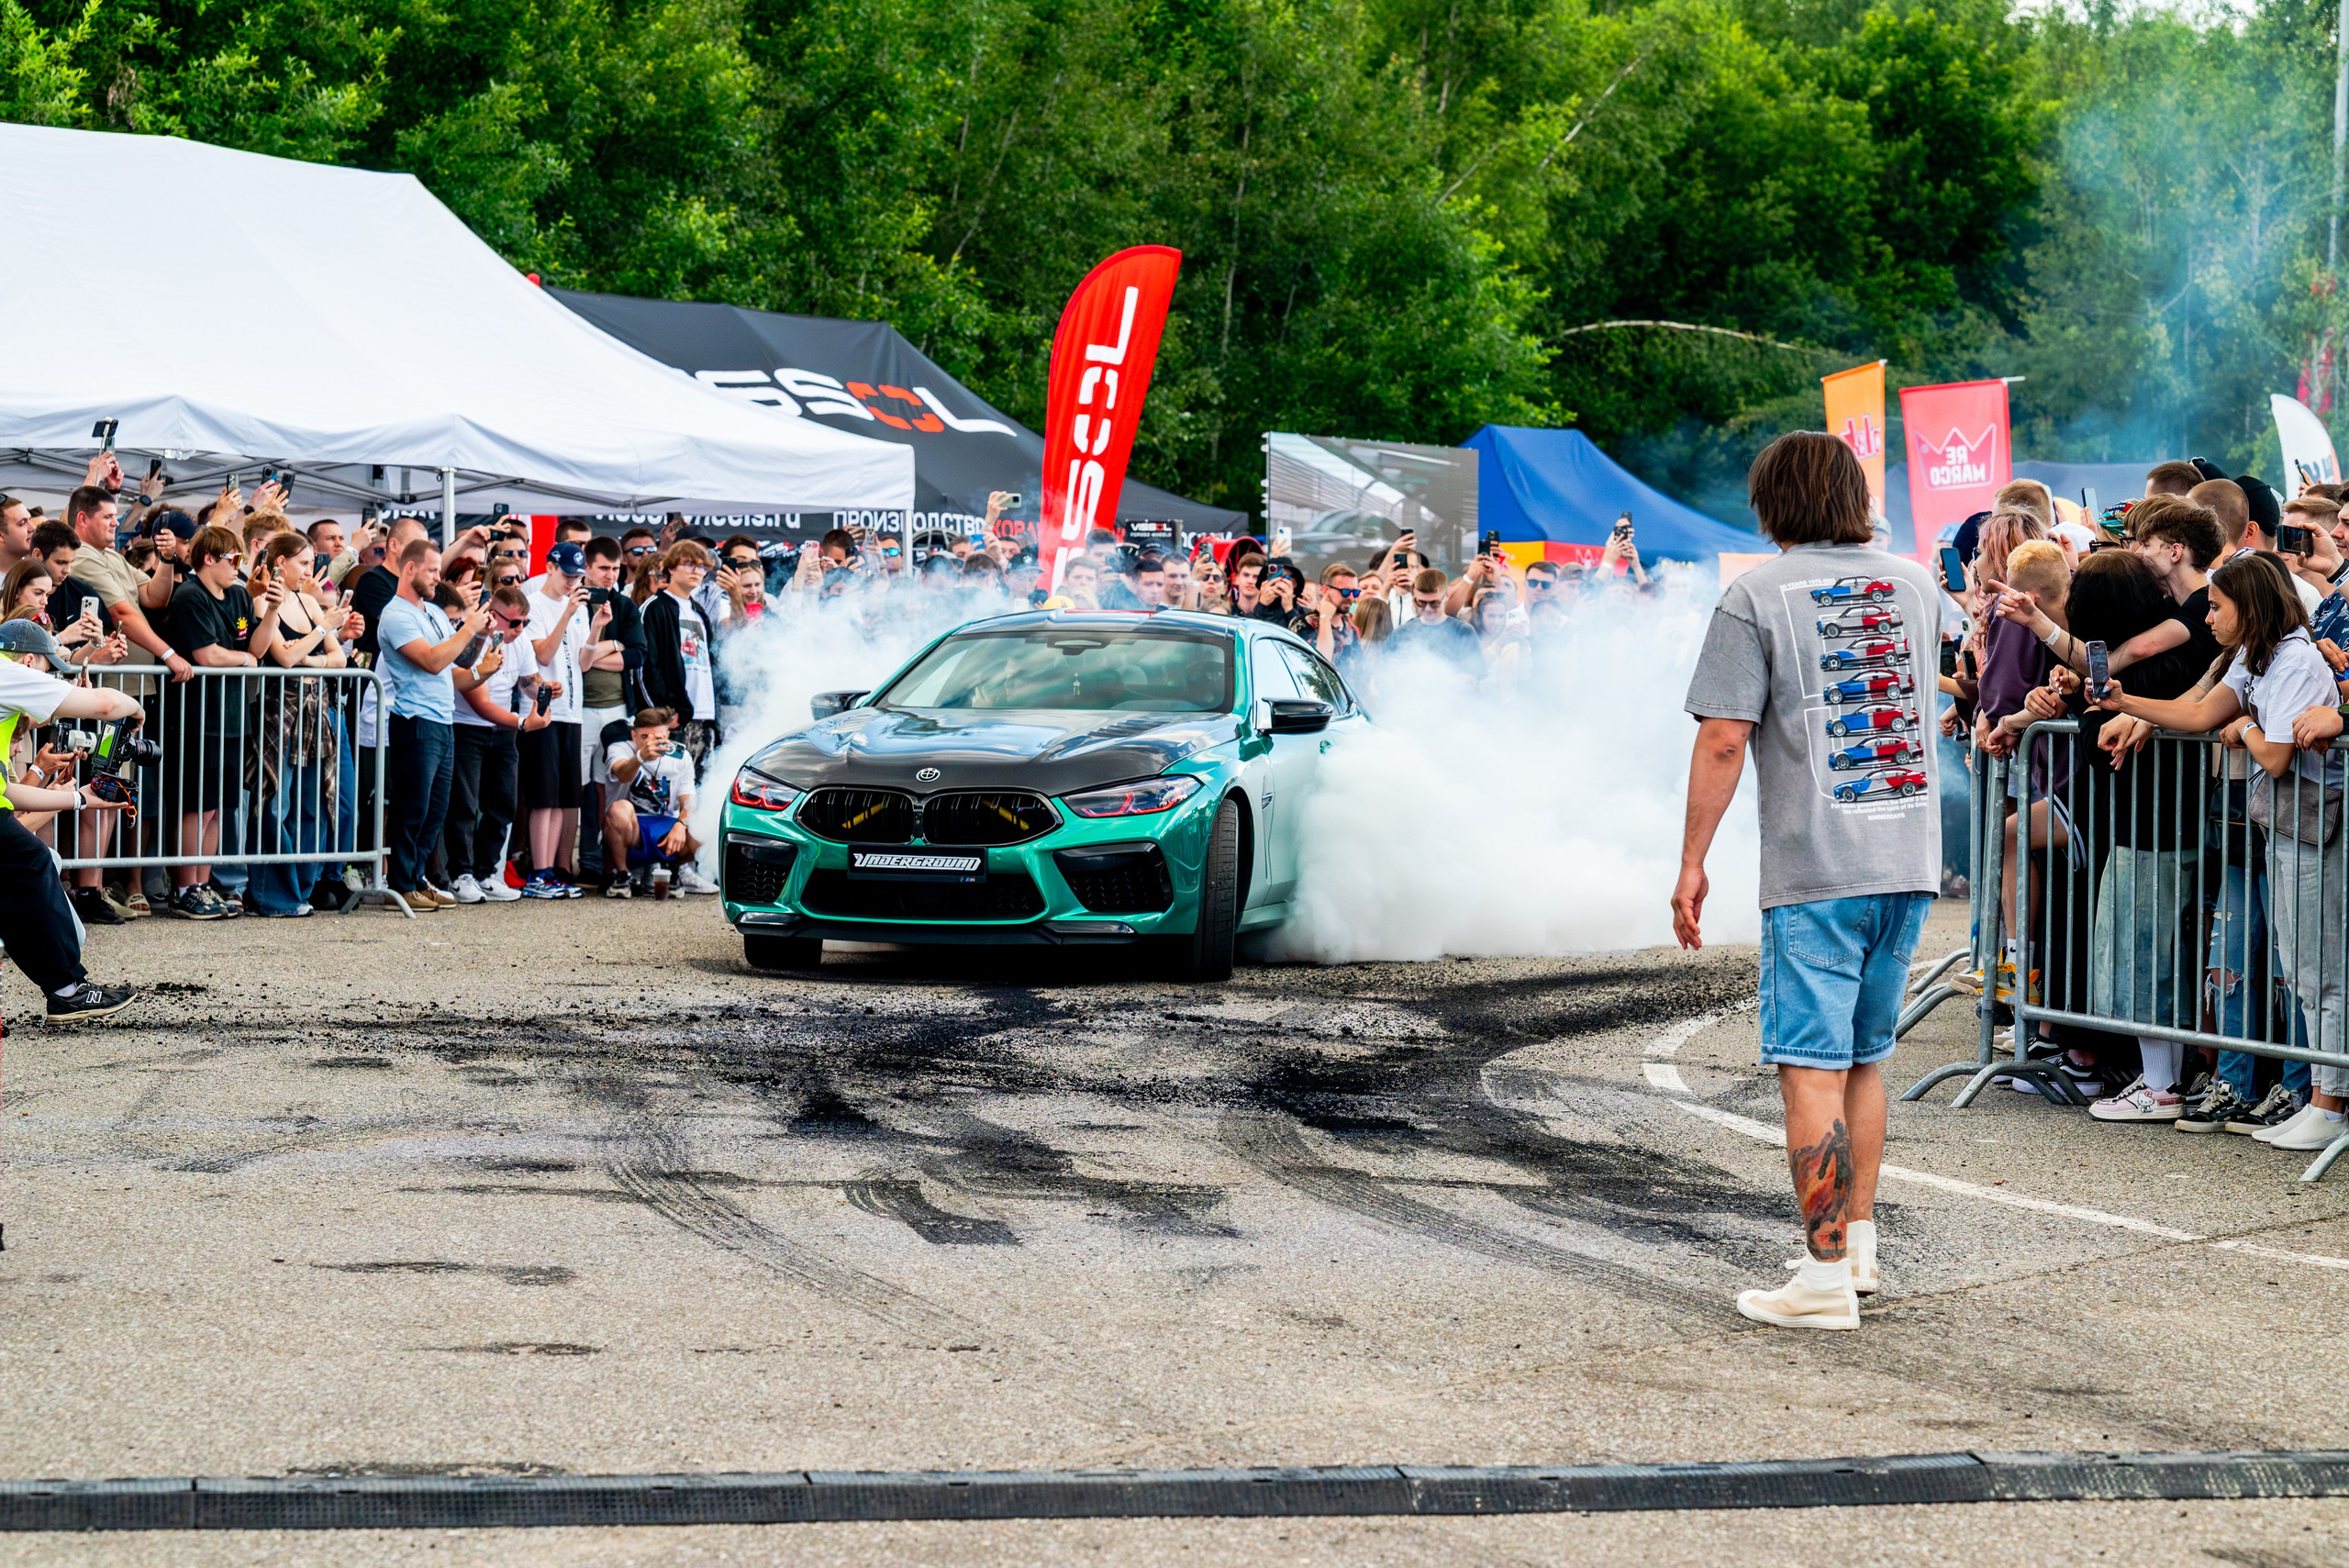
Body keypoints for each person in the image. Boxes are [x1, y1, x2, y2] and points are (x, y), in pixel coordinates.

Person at [1675, 430, 1941, 1331]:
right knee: (1864, 1059)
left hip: (1817, 864)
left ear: (1773, 502)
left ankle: (1822, 1276)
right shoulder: (1915, 582)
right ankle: (1856, 1247)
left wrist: (1691, 860)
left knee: (1808, 1069)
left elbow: (1721, 735)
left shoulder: (1754, 593)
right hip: (1905, 859)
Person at [2099, 553, 2347, 1152]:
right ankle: (2320, 1095)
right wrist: (2125, 701)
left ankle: (2330, 1102)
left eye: (2216, 605)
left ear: (2250, 606)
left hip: (2315, 826)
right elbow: (2198, 713)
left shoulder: (2291, 656)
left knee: (2320, 969)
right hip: (2288, 829)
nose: (2207, 615)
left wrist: (2248, 730)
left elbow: (2277, 756)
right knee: (2299, 964)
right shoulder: (2255, 656)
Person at [0, 621, 143, 1023]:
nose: (46, 681)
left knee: (31, 860)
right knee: (33, 862)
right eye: (47, 671)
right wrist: (134, 708)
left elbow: (8, 794)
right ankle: (67, 989)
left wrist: (79, 799)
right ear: (29, 660)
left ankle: (67, 988)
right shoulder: (7, 672)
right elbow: (102, 706)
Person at [163, 524, 284, 918]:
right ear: (209, 559)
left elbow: (256, 648)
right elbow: (207, 655)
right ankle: (185, 887)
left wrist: (273, 609)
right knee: (196, 806)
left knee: (218, 807)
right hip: (198, 717)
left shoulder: (236, 595)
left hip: (232, 718)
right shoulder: (189, 595)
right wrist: (246, 661)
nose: (239, 568)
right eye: (233, 560)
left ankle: (202, 882)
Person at [379, 538, 488, 910]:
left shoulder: (436, 614)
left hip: (441, 721)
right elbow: (430, 661)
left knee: (435, 809)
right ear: (410, 569)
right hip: (414, 720)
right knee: (412, 807)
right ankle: (402, 882)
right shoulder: (395, 615)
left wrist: (479, 671)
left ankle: (416, 878)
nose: (439, 578)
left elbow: (450, 673)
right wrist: (469, 628)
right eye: (432, 570)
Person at [447, 584, 543, 903]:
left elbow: (529, 681)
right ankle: (461, 873)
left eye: (524, 623)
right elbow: (479, 702)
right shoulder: (473, 639)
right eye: (513, 623)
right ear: (492, 615)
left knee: (502, 803)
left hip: (503, 731)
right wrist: (523, 722)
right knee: (465, 804)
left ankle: (487, 872)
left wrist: (544, 692)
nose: (519, 630)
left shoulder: (522, 641)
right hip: (468, 727)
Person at [519, 541, 591, 895]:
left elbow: (583, 663)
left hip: (572, 710)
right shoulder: (534, 605)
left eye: (577, 576)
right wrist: (566, 613)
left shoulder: (578, 606)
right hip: (543, 709)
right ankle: (539, 871)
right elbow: (543, 653)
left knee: (565, 796)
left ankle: (550, 873)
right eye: (567, 574)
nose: (572, 582)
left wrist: (597, 631)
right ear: (549, 567)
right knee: (543, 795)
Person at [601, 706, 718, 896]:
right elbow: (622, 773)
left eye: (658, 738)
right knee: (619, 809)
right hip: (630, 827)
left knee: (705, 823)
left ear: (668, 735)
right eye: (645, 737)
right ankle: (623, 875)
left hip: (665, 828)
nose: (650, 743)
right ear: (634, 735)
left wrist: (681, 824)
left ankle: (672, 871)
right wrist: (640, 757)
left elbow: (688, 799)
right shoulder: (620, 748)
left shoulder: (681, 756)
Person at [641, 539, 721, 780]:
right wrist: (664, 711)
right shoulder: (655, 607)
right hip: (674, 717)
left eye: (702, 566)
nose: (696, 571)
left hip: (704, 715)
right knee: (670, 788)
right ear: (671, 568)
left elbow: (709, 663)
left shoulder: (699, 611)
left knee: (699, 791)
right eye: (689, 564)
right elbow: (647, 665)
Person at [1391, 566, 1483, 673]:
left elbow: (1476, 677)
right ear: (1413, 599)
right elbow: (1387, 671)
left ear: (1447, 596)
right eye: (1421, 602)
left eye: (1434, 603)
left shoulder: (1463, 632)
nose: (1428, 609)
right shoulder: (1401, 634)